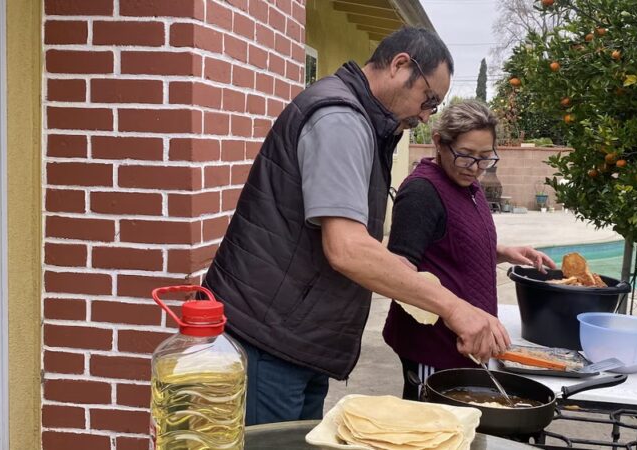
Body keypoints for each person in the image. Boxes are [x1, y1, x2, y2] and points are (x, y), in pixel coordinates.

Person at [202, 28, 511, 425]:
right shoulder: (341, 119)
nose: (424, 115)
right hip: (268, 339)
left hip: (295, 340)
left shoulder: (364, 121)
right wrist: (454, 307)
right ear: (401, 66)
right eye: (428, 99)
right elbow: (346, 249)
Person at [382, 100, 556, 400]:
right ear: (438, 142)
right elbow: (399, 276)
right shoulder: (422, 192)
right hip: (434, 349)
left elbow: (448, 246)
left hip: (467, 347)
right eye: (465, 156)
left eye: (485, 158)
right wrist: (454, 313)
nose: (475, 168)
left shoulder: (469, 186)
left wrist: (501, 251)